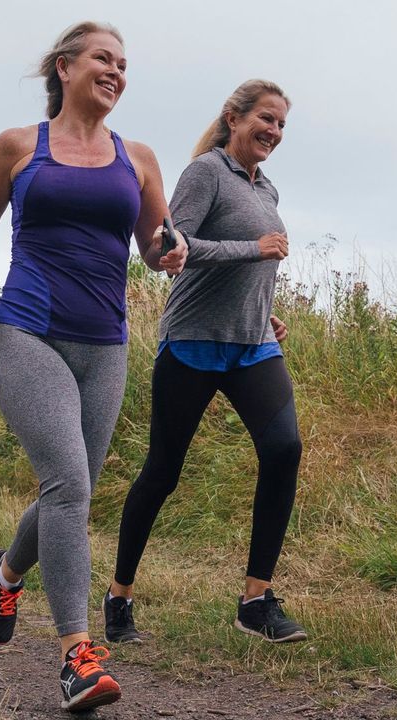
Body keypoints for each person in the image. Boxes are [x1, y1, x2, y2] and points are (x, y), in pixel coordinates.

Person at [0, 21, 187, 713]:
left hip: (105, 343)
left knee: (72, 489)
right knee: (67, 483)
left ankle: (5, 569)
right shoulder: (18, 146)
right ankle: (76, 655)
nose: (116, 71)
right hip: (27, 328)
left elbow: (155, 243)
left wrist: (167, 252)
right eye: (102, 59)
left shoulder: (138, 157)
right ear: (64, 66)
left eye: (123, 64)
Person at [104, 79, 308, 645]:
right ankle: (119, 596)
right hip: (192, 342)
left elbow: (252, 270)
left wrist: (265, 312)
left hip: (252, 346)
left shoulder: (268, 190)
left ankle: (255, 600)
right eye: (266, 119)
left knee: (284, 449)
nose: (274, 132)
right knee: (163, 472)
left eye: (282, 125)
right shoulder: (206, 173)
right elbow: (174, 252)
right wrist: (255, 248)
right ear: (235, 117)